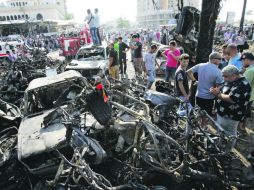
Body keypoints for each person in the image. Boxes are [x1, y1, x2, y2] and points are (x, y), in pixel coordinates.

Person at [210, 65, 251, 150]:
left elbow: (232, 99)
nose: (223, 78)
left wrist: (217, 94)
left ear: (234, 75)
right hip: (223, 112)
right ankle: (220, 145)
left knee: (230, 134)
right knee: (221, 129)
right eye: (223, 75)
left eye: (225, 76)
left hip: (231, 115)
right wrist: (217, 91)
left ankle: (227, 150)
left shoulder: (243, 85)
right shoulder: (231, 79)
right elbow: (224, 89)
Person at [187, 52, 224, 117]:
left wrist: (195, 81)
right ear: (214, 59)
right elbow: (219, 85)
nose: (221, 60)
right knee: (206, 116)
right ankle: (202, 126)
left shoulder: (200, 65)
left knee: (198, 114)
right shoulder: (218, 71)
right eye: (220, 59)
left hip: (198, 95)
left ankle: (197, 126)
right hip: (209, 97)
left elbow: (188, 72)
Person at [238, 52, 254, 131]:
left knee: (243, 111)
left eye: (242, 61)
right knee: (247, 111)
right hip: (251, 95)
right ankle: (243, 127)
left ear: (247, 60)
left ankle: (241, 127)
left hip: (247, 95)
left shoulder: (250, 70)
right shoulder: (251, 69)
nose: (242, 62)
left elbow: (244, 85)